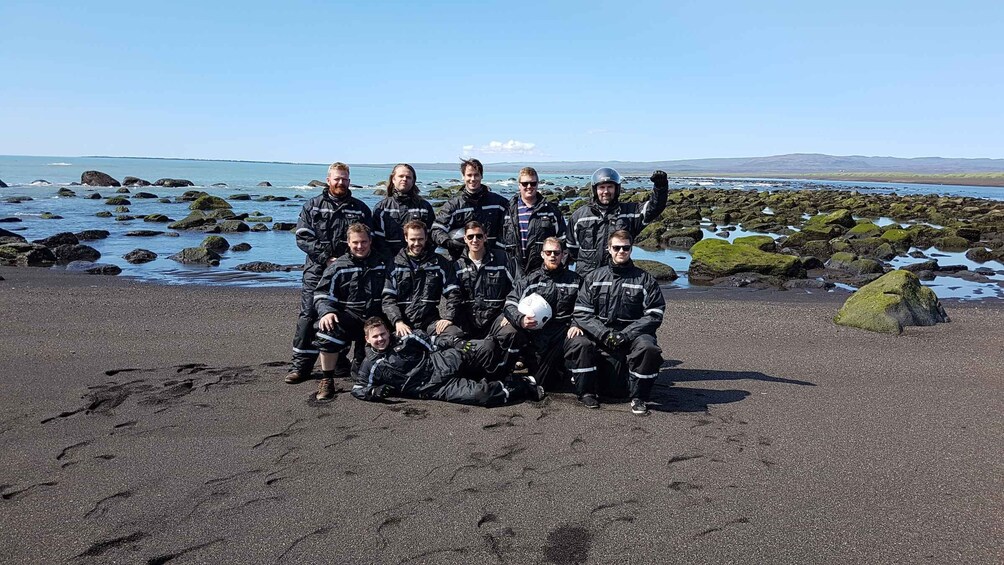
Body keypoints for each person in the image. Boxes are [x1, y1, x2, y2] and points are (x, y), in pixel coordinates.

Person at [285, 162, 372, 385]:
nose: (341, 183)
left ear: (350, 181)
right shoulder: (312, 206)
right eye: (337, 179)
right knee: (309, 315)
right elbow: (302, 236)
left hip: (348, 273)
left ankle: (339, 361)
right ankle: (301, 366)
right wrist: (327, 258)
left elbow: (367, 240)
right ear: (328, 180)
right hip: (317, 270)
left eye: (344, 179)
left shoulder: (360, 209)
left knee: (341, 315)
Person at [569, 230, 666, 415]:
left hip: (632, 333)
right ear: (609, 249)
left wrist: (626, 334)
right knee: (579, 343)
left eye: (626, 248)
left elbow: (654, 314)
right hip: (601, 331)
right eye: (616, 247)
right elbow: (582, 312)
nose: (621, 251)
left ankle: (639, 397)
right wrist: (603, 333)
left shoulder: (645, 280)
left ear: (631, 249)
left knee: (649, 349)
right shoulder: (593, 277)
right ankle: (586, 392)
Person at [351, 317, 543, 406]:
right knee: (481, 396)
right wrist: (374, 392)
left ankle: (502, 371)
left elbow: (433, 341)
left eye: (382, 333)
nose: (380, 339)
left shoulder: (405, 338)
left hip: (443, 362)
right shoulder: (370, 364)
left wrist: (455, 342)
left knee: (483, 347)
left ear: (388, 331)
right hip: (435, 388)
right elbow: (358, 389)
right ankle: (523, 385)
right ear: (367, 339)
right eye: (375, 337)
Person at [312, 223, 387, 400]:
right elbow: (322, 293)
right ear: (348, 242)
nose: (360, 246)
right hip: (349, 316)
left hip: (375, 319)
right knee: (326, 331)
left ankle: (360, 364)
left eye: (363, 242)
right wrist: (326, 312)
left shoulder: (383, 263)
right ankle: (327, 379)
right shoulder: (338, 266)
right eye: (355, 242)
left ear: (370, 241)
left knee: (361, 373)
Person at [503, 237, 582, 392]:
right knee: (542, 375)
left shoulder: (575, 280)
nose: (553, 255)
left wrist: (576, 324)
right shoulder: (532, 279)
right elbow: (510, 302)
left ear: (562, 255)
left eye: (556, 252)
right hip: (536, 334)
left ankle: (543, 380)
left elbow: (586, 306)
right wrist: (520, 319)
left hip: (563, 332)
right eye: (549, 252)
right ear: (542, 254)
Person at [566, 168, 669, 277]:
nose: (606, 191)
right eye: (602, 187)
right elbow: (571, 249)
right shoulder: (579, 216)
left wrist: (660, 187)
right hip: (586, 278)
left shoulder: (630, 213)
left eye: (610, 187)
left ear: (617, 189)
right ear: (594, 189)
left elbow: (654, 208)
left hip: (619, 277)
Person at [383, 220, 461, 339]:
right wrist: (397, 321)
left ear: (426, 238)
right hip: (402, 323)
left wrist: (448, 318)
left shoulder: (440, 263)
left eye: (420, 239)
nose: (416, 243)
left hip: (430, 322)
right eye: (413, 239)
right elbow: (388, 299)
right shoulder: (394, 265)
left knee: (454, 334)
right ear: (406, 238)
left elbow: (453, 293)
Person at [431, 158, 508, 258]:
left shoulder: (499, 203)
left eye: (476, 175)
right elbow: (437, 229)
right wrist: (449, 243)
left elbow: (511, 228)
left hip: (493, 259)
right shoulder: (453, 205)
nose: (473, 179)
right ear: (463, 176)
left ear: (481, 176)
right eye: (469, 175)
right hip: (462, 260)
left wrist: (500, 246)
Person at [501, 166, 567, 278]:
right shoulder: (507, 211)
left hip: (543, 273)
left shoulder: (551, 211)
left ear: (538, 184)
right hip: (513, 271)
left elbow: (563, 241)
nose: (529, 187)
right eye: (525, 183)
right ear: (519, 185)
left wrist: (560, 269)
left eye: (533, 183)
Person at [372, 163, 436, 261]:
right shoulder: (382, 208)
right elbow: (378, 241)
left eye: (408, 177)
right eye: (401, 176)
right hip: (391, 262)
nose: (404, 179)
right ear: (393, 179)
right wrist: (392, 261)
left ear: (413, 181)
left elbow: (432, 237)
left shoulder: (424, 207)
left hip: (420, 262)